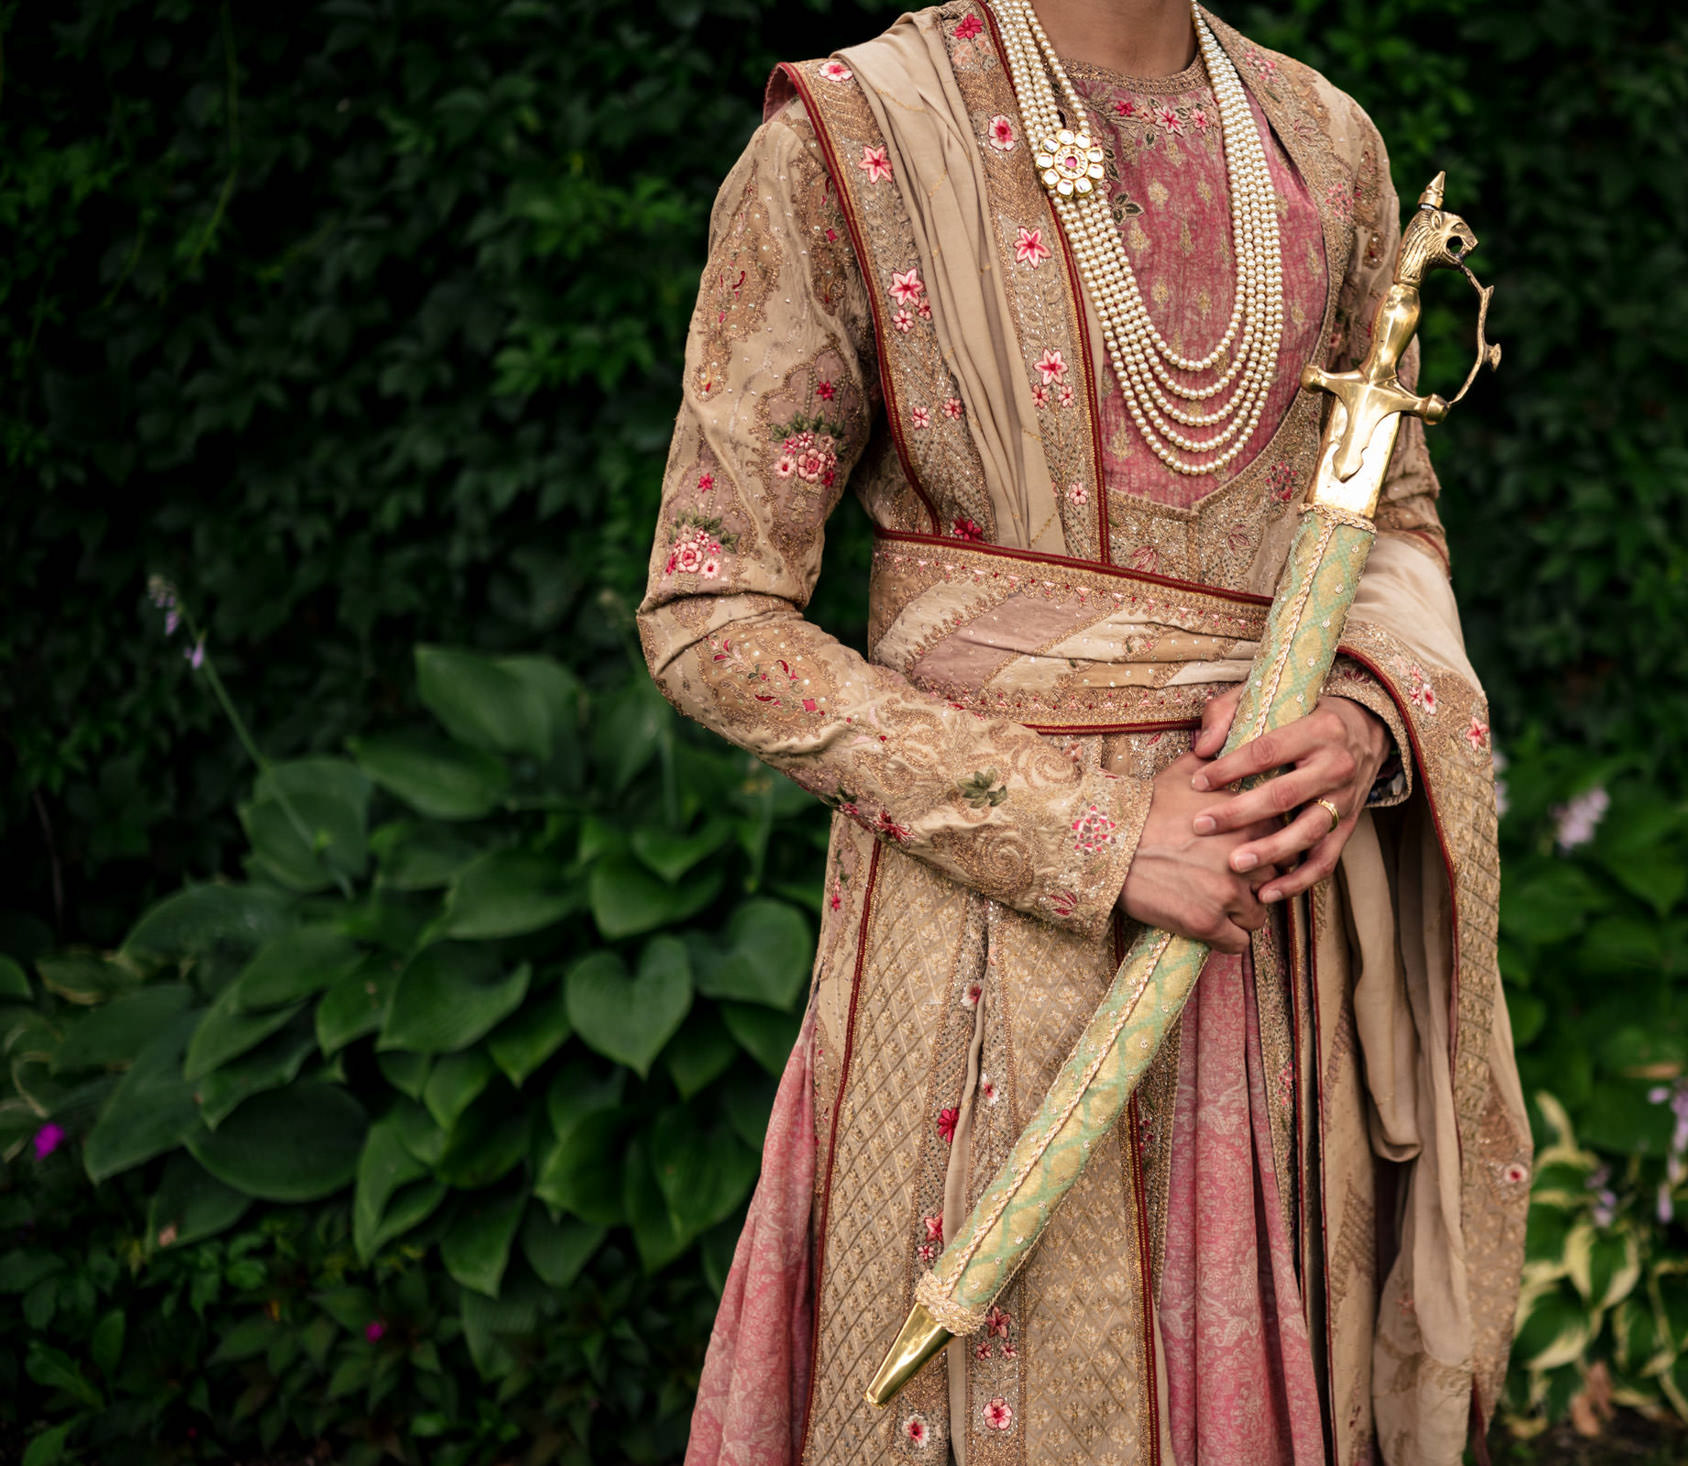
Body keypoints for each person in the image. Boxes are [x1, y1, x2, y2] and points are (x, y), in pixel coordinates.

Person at [636, 2, 1529, 1461]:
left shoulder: (1327, 145)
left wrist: (1369, 714)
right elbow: (710, 608)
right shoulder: (853, 138)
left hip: (1262, 938)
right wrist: (1096, 833)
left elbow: (1391, 515)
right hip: (981, 962)